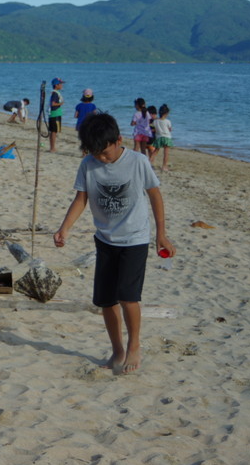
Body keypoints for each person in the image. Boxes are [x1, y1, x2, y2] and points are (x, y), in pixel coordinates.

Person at [53, 112, 174, 375]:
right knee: (106, 301)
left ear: (119, 140)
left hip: (135, 239)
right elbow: (81, 199)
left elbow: (155, 196)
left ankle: (134, 344)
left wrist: (161, 234)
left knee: (128, 297)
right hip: (105, 239)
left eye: (106, 153)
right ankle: (117, 348)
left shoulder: (138, 162)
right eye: (97, 154)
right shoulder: (88, 164)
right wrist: (65, 228)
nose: (102, 159)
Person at [152, 104, 173, 172]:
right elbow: (170, 129)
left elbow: (154, 129)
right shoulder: (167, 121)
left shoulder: (155, 121)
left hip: (159, 137)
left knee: (155, 151)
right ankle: (164, 166)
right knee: (166, 153)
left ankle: (149, 162)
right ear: (166, 113)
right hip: (167, 137)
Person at [48, 77, 64, 152]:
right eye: (60, 84)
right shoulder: (55, 93)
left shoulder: (55, 93)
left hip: (53, 114)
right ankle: (52, 148)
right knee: (54, 131)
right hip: (55, 114)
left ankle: (52, 147)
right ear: (56, 85)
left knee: (53, 131)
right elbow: (53, 104)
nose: (62, 85)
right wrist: (61, 103)